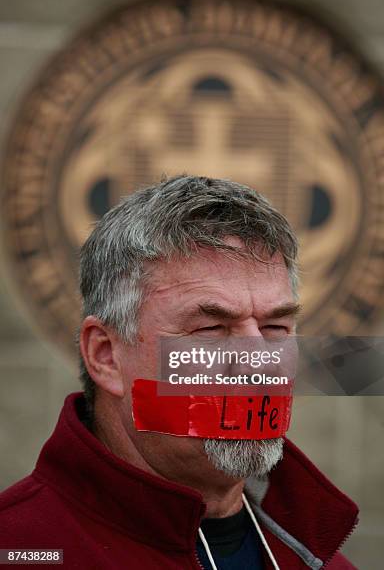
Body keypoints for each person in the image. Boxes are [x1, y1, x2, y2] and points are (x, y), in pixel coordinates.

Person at [0, 175, 358, 569]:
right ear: (105, 356)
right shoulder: (19, 548)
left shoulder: (323, 561)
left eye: (276, 329)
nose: (261, 362)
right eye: (210, 329)